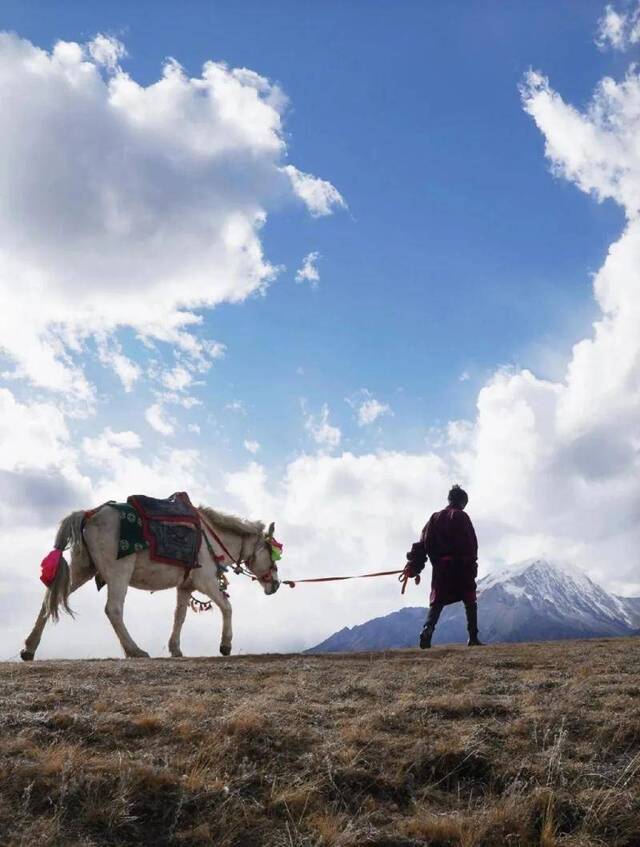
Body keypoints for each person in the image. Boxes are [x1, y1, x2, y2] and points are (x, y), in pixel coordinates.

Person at [404, 484, 482, 649]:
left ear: (449, 499)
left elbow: (421, 545)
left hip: (441, 568)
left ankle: (427, 630)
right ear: (463, 502)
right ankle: (473, 637)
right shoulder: (462, 517)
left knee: (437, 601)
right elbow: (471, 545)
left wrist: (414, 567)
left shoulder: (434, 519)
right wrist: (472, 566)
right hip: (462, 567)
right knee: (470, 600)